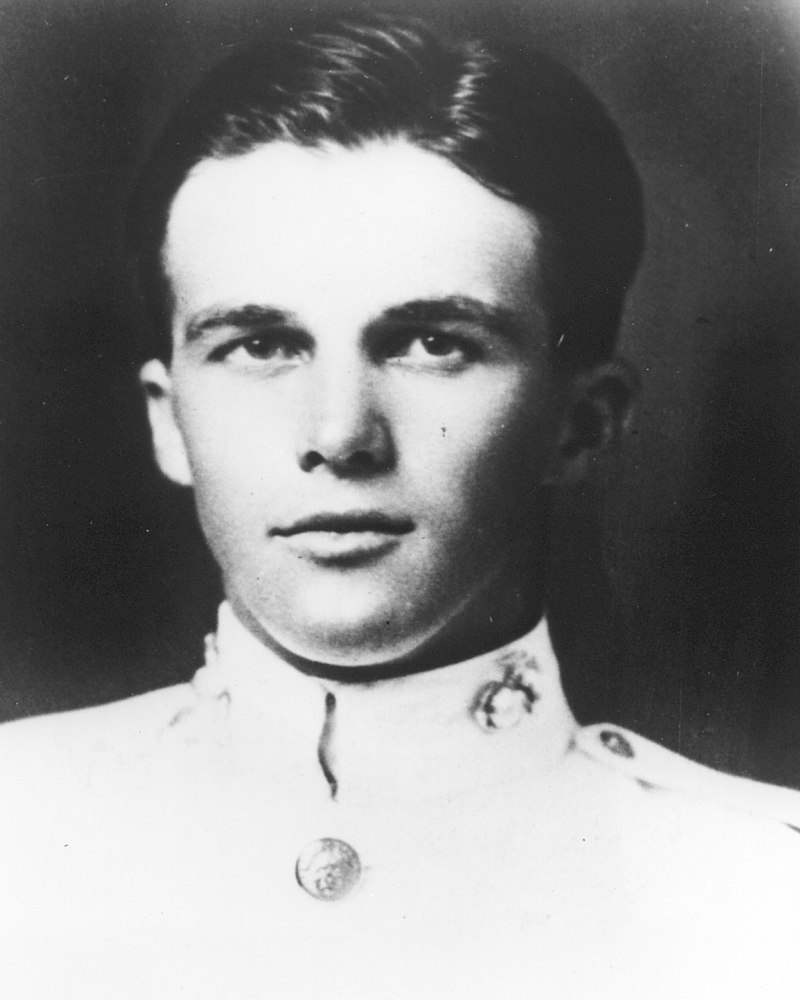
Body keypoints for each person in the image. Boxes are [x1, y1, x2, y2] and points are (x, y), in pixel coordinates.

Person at [1, 10, 799, 999]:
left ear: (582, 422)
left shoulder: (759, 899)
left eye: (432, 344)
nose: (340, 436)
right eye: (260, 346)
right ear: (169, 421)